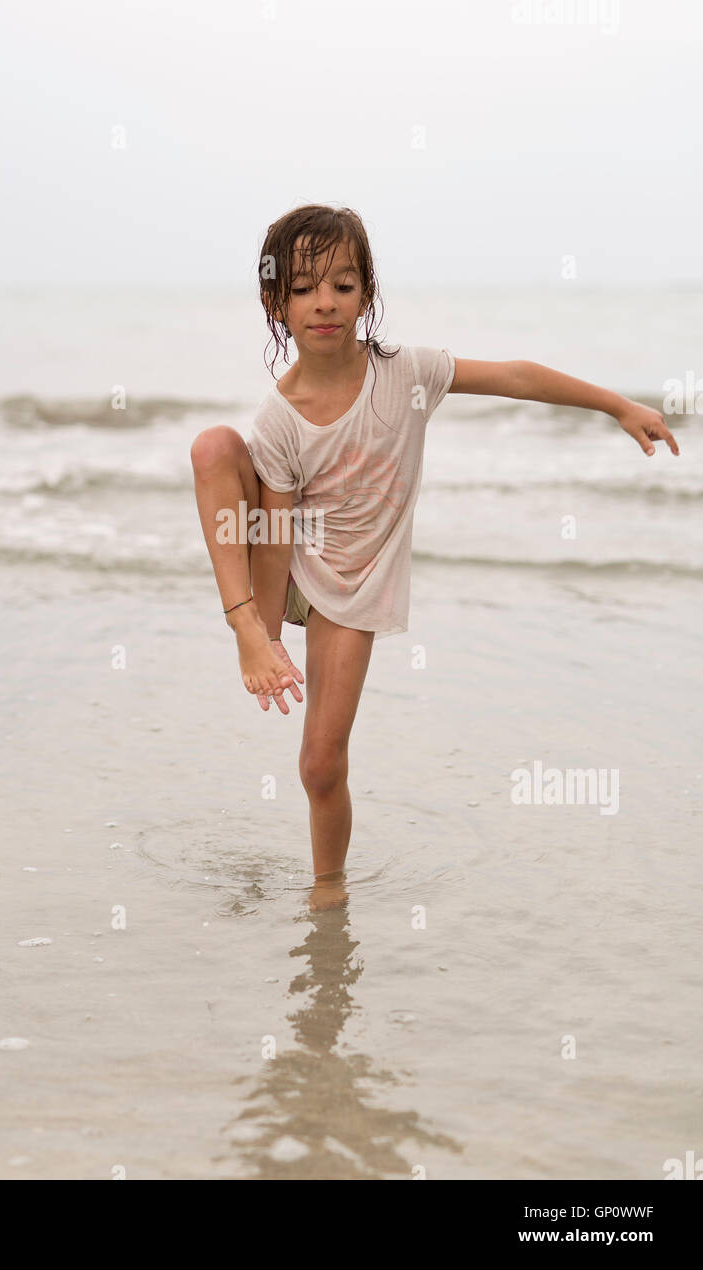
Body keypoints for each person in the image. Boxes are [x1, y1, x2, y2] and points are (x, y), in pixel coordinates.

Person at [189, 204, 679, 906]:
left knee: (320, 765)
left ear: (367, 293)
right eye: (302, 288)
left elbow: (516, 378)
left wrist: (615, 405)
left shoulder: (406, 374)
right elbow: (271, 530)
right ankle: (239, 629)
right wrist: (261, 634)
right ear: (275, 302)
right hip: (278, 555)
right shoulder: (279, 417)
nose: (324, 302)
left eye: (342, 284)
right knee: (212, 446)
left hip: (349, 588)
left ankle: (329, 891)